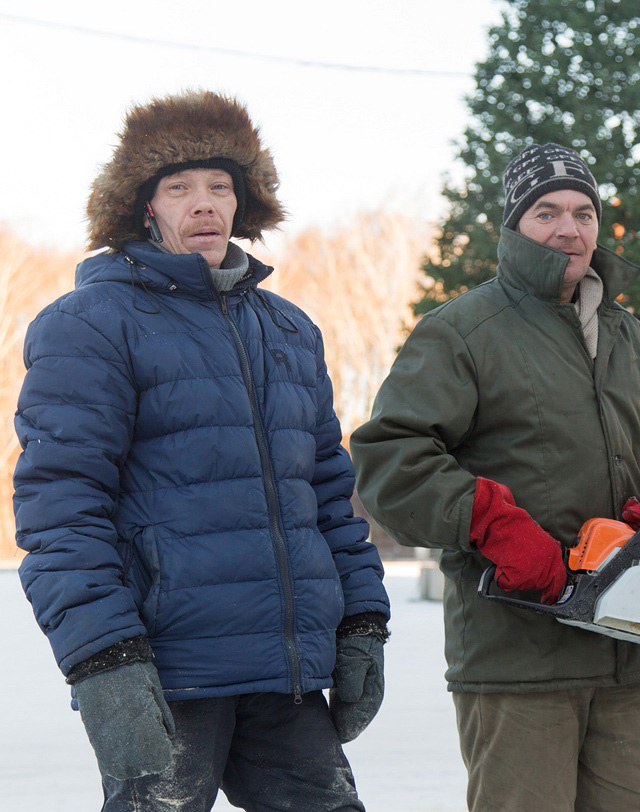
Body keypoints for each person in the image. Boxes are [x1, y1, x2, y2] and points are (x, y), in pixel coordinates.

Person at [12, 90, 389, 812]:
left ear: (244, 202)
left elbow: (329, 500)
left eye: (220, 186)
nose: (204, 202)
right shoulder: (89, 325)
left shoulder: (289, 330)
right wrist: (104, 659)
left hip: (284, 676)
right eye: (179, 187)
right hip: (165, 671)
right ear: (144, 207)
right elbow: (61, 510)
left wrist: (363, 619)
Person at [351, 143, 640, 812]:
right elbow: (391, 459)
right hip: (519, 659)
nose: (570, 228)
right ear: (513, 227)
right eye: (547, 212)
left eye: (583, 211)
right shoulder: (463, 331)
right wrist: (491, 521)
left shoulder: (629, 336)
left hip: (633, 648)